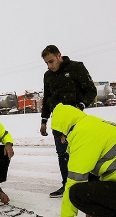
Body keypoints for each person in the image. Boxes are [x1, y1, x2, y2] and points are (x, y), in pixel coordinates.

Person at [40, 45, 97, 198]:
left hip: (76, 120)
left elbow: (91, 90)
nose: (50, 66)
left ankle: (89, 186)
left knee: (81, 153)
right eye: (47, 63)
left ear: (59, 55)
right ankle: (68, 186)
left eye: (51, 61)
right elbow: (47, 99)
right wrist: (44, 120)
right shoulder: (48, 76)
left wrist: (80, 106)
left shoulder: (76, 68)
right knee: (63, 154)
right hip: (59, 122)